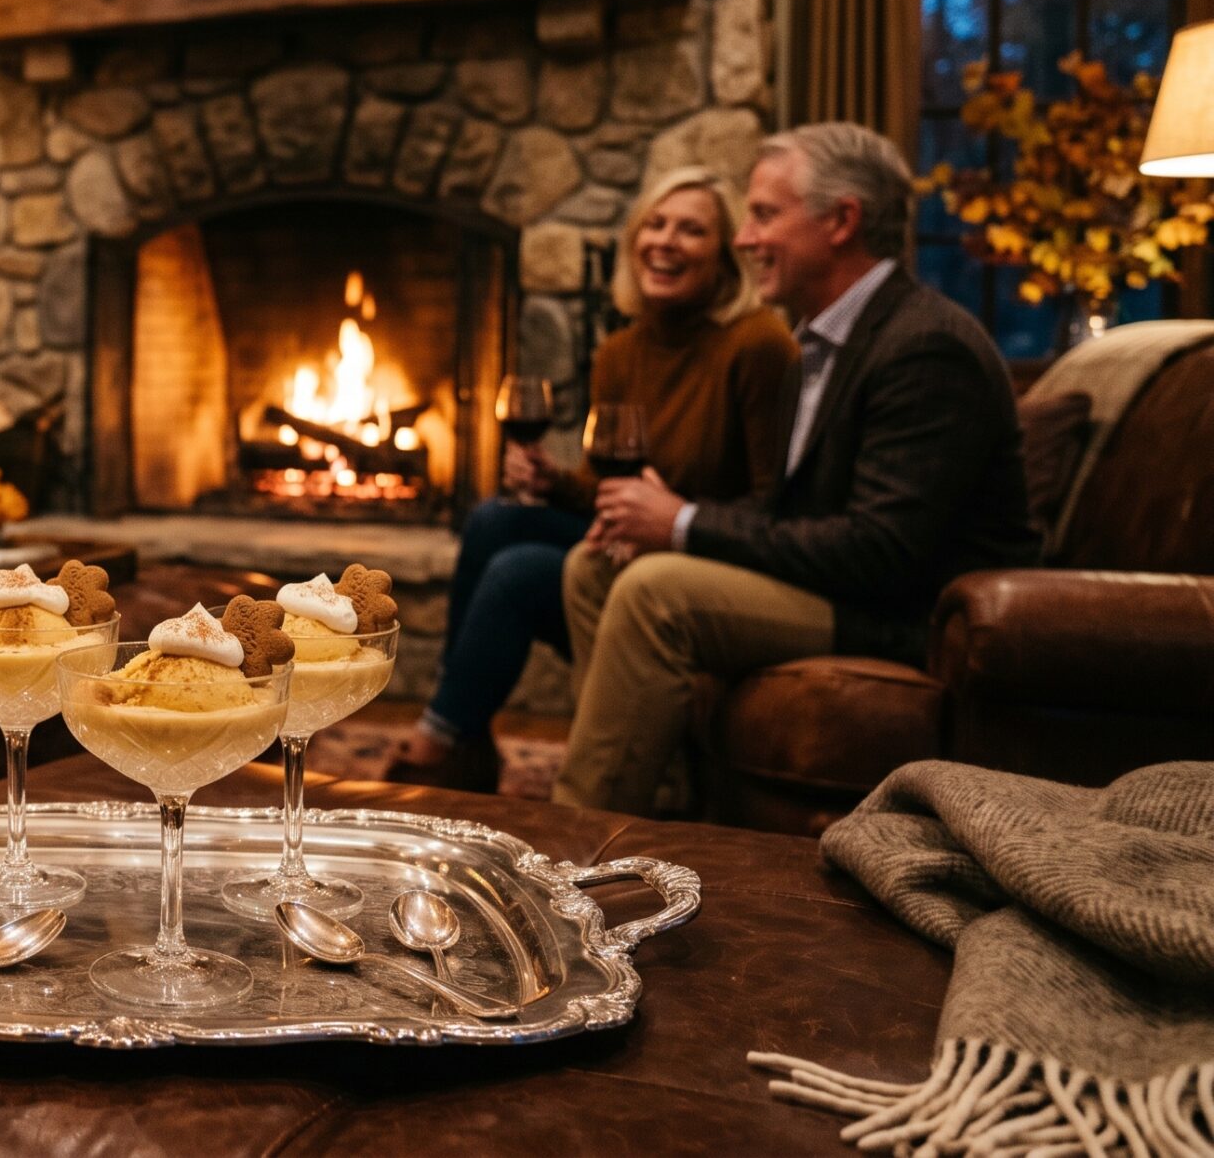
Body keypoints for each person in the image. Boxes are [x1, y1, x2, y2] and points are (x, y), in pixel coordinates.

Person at [551, 123, 1040, 814]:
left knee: (654, 590)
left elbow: (882, 552)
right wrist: (667, 517)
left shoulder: (926, 344)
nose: (744, 239)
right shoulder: (819, 338)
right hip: (846, 584)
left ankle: (576, 833)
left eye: (763, 214)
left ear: (841, 221)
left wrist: (685, 523)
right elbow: (792, 513)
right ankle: (653, 803)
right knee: (593, 565)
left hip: (906, 611)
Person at [390, 168, 797, 791]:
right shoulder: (621, 351)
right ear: (633, 240)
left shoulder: (756, 345)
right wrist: (553, 482)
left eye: (692, 230)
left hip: (701, 556)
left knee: (518, 570)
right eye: (655, 224)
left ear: (724, 255)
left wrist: (672, 516)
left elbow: (776, 503)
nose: (666, 241)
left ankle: (445, 738)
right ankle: (458, 734)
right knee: (493, 518)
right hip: (628, 539)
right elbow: (604, 488)